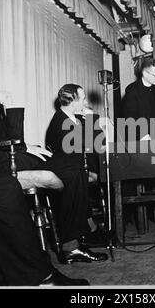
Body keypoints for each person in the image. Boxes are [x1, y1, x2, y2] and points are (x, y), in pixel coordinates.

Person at [0, 65, 105, 265]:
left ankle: (76, 241)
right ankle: (73, 244)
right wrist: (10, 110)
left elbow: (9, 138)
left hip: (8, 155)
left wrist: (27, 146)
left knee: (74, 168)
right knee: (72, 169)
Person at [0, 143, 88, 286]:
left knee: (75, 167)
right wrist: (23, 148)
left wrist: (26, 147)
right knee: (6, 188)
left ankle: (72, 245)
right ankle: (40, 276)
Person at [45, 84, 109, 255]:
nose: (86, 102)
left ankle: (90, 229)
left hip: (79, 167)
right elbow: (86, 144)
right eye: (82, 99)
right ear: (73, 101)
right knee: (81, 175)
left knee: (103, 171)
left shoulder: (73, 118)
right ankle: (75, 242)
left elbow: (96, 143)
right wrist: (92, 119)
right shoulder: (60, 121)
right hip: (69, 170)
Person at [121, 58, 155, 141]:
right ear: (144, 73)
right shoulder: (132, 90)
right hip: (140, 138)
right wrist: (142, 135)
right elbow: (130, 117)